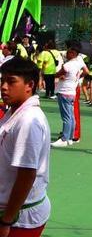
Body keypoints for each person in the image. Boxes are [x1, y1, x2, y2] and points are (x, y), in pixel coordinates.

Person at [0, 56, 51, 237]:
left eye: (11, 81)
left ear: (29, 85)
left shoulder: (28, 121)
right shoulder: (14, 111)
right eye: (2, 81)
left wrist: (7, 220)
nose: (4, 87)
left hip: (19, 219)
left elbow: (27, 175)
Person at [51, 46, 86, 148]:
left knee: (66, 117)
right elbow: (85, 71)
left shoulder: (67, 65)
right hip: (71, 91)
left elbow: (57, 74)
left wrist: (59, 75)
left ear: (73, 53)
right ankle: (70, 137)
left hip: (64, 91)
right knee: (71, 116)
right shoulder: (78, 63)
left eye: (68, 53)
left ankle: (64, 138)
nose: (66, 54)